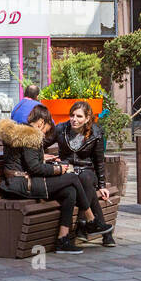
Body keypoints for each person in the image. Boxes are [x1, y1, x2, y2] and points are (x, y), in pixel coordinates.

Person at [0, 105, 108, 254]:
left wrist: (42, 157)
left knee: (69, 191)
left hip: (20, 181)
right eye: (46, 130)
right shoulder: (30, 136)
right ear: (41, 123)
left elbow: (26, 160)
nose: (45, 134)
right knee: (72, 177)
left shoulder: (20, 133)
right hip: (23, 184)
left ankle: (63, 239)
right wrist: (58, 169)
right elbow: (34, 168)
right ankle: (90, 220)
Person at [45, 100, 116, 247]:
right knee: (82, 184)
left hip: (87, 170)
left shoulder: (96, 132)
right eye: (72, 115)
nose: (74, 119)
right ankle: (99, 230)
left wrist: (102, 185)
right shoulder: (61, 129)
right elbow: (42, 143)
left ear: (87, 118)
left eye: (79, 116)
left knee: (84, 179)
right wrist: (40, 155)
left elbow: (99, 161)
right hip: (67, 170)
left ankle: (84, 225)